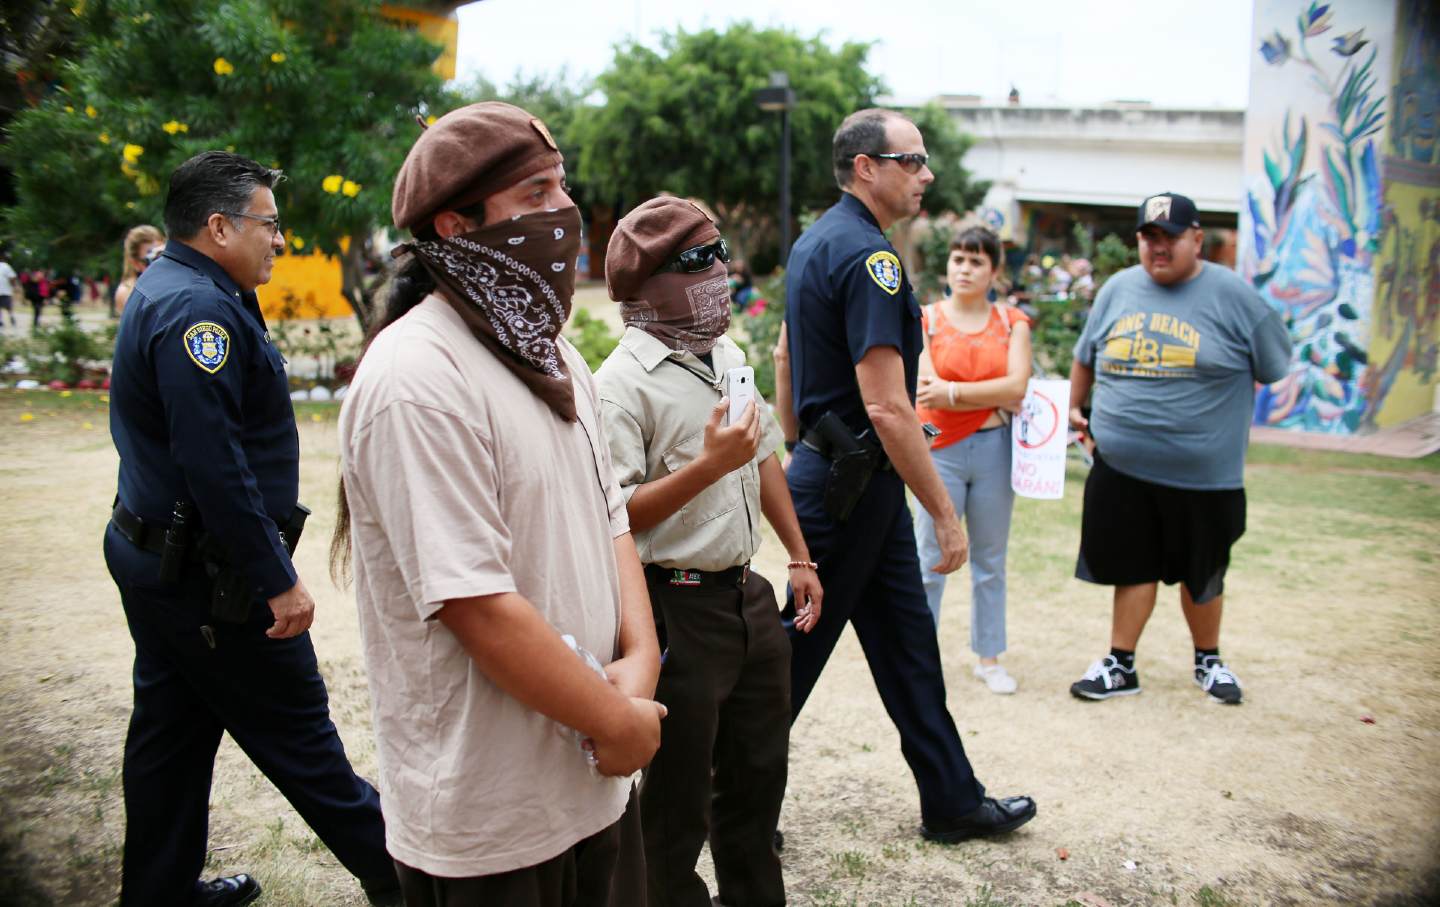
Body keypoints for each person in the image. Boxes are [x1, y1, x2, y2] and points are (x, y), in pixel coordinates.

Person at [333, 101, 665, 905]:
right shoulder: (416, 377)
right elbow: (475, 601)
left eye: (562, 188)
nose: (564, 213)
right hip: (491, 822)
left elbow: (609, 517)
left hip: (592, 794)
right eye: (534, 195)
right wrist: (616, 721)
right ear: (455, 227)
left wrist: (641, 659)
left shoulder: (553, 354)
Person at [104, 151, 399, 907]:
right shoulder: (198, 311)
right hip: (210, 578)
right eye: (270, 224)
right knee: (300, 736)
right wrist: (277, 578)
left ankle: (160, 892)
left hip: (159, 558)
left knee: (170, 733)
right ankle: (408, 878)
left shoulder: (181, 286)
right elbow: (215, 467)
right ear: (218, 225)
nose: (280, 238)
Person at [779, 108, 1036, 842]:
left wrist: (803, 446)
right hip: (850, 487)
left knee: (908, 649)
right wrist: (945, 514)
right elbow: (890, 408)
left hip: (846, 479)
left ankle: (953, 799)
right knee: (790, 656)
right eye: (913, 160)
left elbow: (785, 359)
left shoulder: (816, 242)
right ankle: (723, 796)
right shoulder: (870, 258)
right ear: (868, 166)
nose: (926, 175)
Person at [595, 196, 823, 907]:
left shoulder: (726, 353)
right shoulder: (621, 384)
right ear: (654, 279)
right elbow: (614, 515)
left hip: (745, 594)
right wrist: (707, 465)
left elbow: (761, 457)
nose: (721, 270)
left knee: (757, 781)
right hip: (674, 605)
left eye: (720, 253)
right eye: (700, 261)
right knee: (676, 802)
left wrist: (799, 555)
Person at [1067, 191, 1293, 705]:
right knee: (1132, 565)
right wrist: (1076, 406)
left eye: (1170, 237)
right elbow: (1086, 354)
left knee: (1203, 572)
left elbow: (1274, 366)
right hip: (1122, 468)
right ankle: (1120, 665)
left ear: (1197, 239)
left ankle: (1208, 661)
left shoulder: (1235, 297)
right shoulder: (1119, 289)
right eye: (1149, 237)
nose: (1157, 247)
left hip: (1204, 476)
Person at [912, 225, 1032, 694]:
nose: (965, 269)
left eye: (977, 261)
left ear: (994, 271)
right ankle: (920, 659)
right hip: (937, 450)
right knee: (930, 557)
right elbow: (927, 391)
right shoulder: (928, 319)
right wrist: (986, 393)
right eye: (959, 259)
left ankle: (989, 657)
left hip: (995, 450)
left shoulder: (1011, 322)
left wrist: (955, 391)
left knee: (990, 558)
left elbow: (1017, 387)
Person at [115, 224, 165, 313]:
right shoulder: (128, 292)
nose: (160, 263)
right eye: (153, 259)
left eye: (162, 255)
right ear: (136, 264)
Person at [0, 254, 17, 332]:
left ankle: (0, 322)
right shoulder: (7, 266)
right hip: (5, 290)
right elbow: (12, 277)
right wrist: (14, 286)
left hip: (3, 290)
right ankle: (12, 318)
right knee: (9, 307)